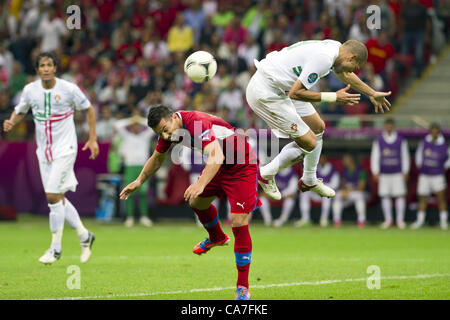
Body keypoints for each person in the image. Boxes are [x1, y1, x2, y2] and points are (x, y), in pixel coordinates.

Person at [120, 105, 261, 300]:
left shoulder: (195, 122)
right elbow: (157, 158)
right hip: (219, 165)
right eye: (161, 133)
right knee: (195, 201)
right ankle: (217, 237)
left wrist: (201, 183)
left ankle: (242, 287)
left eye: (166, 130)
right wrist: (139, 180)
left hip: (241, 165)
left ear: (173, 117)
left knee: (238, 221)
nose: (167, 136)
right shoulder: (171, 129)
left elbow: (217, 155)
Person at [246, 39, 391, 202]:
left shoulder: (336, 48)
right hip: (265, 91)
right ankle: (266, 173)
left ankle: (309, 179)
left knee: (318, 128)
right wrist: (333, 97)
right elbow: (296, 93)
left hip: (283, 87)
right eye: (355, 68)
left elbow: (344, 73)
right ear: (351, 57)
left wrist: (371, 93)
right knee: (309, 142)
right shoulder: (324, 58)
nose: (353, 72)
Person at [3, 52, 99, 264]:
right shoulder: (30, 90)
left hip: (65, 148)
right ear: (37, 69)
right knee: (58, 198)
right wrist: (11, 121)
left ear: (55, 68)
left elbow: (89, 109)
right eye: (42, 65)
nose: (45, 69)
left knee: (51, 196)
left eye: (49, 65)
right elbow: (20, 110)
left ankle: (55, 249)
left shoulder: (68, 89)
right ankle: (85, 235)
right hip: (43, 152)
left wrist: (92, 139)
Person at [114, 112, 155, 228]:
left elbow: (152, 128)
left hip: (143, 167)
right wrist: (132, 119)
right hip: (130, 167)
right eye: (134, 125)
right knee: (129, 193)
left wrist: (140, 119)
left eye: (138, 125)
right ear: (131, 126)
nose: (136, 126)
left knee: (143, 192)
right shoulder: (127, 136)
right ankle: (130, 217)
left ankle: (144, 216)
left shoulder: (145, 136)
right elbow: (117, 125)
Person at [371, 118, 410, 229]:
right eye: (387, 125)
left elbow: (405, 156)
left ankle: (400, 220)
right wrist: (375, 171)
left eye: (390, 125)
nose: (389, 127)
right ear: (384, 126)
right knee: (385, 195)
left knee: (400, 195)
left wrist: (405, 171)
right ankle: (388, 220)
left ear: (393, 126)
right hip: (384, 173)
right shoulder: (379, 140)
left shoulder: (400, 140)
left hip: (397, 172)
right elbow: (375, 156)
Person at [412, 123, 450, 230]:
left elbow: (449, 159)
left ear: (438, 131)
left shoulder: (444, 144)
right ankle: (420, 221)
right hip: (425, 175)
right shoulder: (424, 142)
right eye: (432, 130)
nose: (434, 132)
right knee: (422, 198)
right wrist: (422, 167)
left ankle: (443, 222)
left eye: (436, 130)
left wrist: (444, 167)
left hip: (438, 175)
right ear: (430, 131)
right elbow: (418, 156)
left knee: (441, 198)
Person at [297, 154, 340, 227]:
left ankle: (324, 219)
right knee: (304, 194)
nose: (320, 160)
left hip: (325, 192)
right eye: (319, 158)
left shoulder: (332, 170)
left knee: (327, 195)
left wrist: (323, 187)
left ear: (325, 159)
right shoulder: (314, 169)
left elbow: (335, 184)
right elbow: (308, 181)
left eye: (322, 158)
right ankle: (305, 219)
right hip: (315, 192)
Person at [332, 153, 367, 228]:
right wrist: (344, 191)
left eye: (345, 160)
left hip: (362, 194)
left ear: (351, 160)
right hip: (349, 194)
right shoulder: (344, 171)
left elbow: (361, 187)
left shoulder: (361, 171)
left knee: (358, 195)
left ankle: (361, 221)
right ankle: (336, 221)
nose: (343, 162)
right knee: (337, 195)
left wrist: (348, 191)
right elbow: (341, 185)